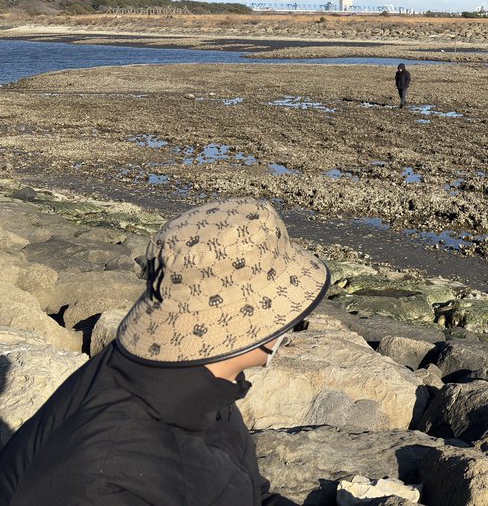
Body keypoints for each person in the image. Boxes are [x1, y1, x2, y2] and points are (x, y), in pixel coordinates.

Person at [0, 198, 330, 506]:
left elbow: (246, 489)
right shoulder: (105, 477)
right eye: (296, 315)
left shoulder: (200, 375)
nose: (297, 323)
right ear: (259, 327)